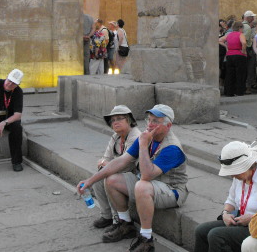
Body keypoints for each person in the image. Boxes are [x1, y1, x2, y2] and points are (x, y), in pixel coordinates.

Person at [77, 104, 188, 252]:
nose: (150, 124)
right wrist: (90, 181)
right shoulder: (146, 137)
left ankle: (146, 239)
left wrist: (143, 145)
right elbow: (121, 161)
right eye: (148, 120)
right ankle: (125, 224)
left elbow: (147, 175)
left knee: (141, 186)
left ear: (168, 125)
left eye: (156, 121)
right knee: (111, 178)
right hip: (150, 183)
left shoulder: (172, 147)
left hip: (171, 190)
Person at [194, 141, 257, 252]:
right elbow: (231, 200)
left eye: (235, 172)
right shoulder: (240, 177)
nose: (232, 175)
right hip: (241, 221)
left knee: (217, 236)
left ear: (248, 165)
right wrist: (225, 214)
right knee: (201, 231)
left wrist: (253, 218)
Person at [91, 105, 142, 229]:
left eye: (119, 118)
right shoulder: (115, 136)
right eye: (113, 120)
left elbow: (127, 164)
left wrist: (107, 165)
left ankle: (118, 219)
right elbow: (105, 157)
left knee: (109, 178)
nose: (115, 122)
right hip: (122, 171)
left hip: (136, 175)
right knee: (97, 177)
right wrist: (105, 163)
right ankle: (106, 216)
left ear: (129, 120)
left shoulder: (135, 137)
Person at [220, 21, 247, 97]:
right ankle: (239, 92)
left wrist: (226, 47)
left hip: (229, 55)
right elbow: (244, 43)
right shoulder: (240, 35)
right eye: (242, 28)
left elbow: (220, 40)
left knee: (229, 74)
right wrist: (243, 51)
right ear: (239, 28)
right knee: (240, 74)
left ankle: (229, 92)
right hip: (239, 55)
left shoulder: (229, 35)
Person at [243, 11, 257, 91]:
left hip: (242, 50)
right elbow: (245, 40)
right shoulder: (248, 27)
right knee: (250, 69)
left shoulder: (241, 25)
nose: (253, 19)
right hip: (248, 50)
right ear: (248, 17)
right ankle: (247, 87)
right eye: (252, 17)